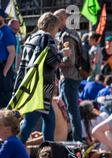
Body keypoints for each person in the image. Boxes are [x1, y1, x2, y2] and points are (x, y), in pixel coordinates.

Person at [14, 12, 71, 144]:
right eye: (57, 28)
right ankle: (14, 147)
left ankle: (48, 151)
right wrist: (63, 53)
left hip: (32, 85)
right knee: (29, 123)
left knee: (49, 119)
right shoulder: (47, 38)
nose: (57, 32)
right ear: (52, 26)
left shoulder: (32, 38)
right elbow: (51, 61)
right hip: (40, 88)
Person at [54, 9, 83, 142]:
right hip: (73, 77)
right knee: (71, 111)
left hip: (69, 77)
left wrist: (54, 62)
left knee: (72, 112)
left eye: (55, 20)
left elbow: (69, 60)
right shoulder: (73, 33)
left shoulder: (66, 35)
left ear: (62, 19)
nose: (54, 23)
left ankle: (77, 141)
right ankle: (75, 139)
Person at [0, 8, 16, 109]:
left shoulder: (6, 32)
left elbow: (12, 53)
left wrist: (5, 71)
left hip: (3, 67)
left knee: (5, 97)